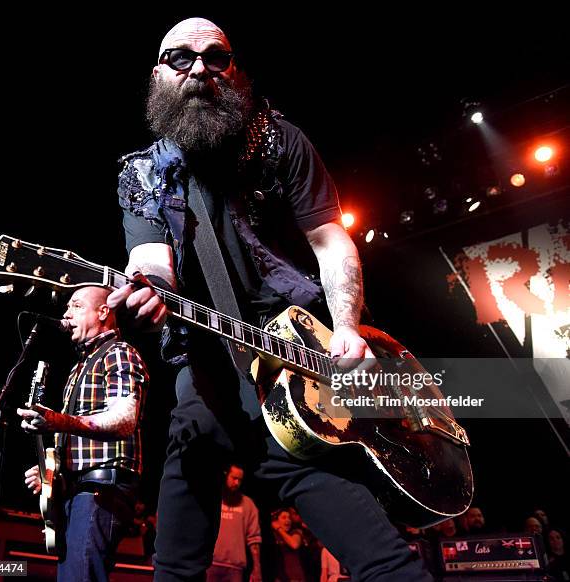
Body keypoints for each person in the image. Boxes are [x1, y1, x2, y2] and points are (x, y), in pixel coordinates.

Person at [108, 16, 432, 581]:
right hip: (209, 364)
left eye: (216, 57)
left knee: (381, 561)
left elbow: (331, 241)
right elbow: (150, 262)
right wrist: (152, 294)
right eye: (180, 57)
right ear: (159, 73)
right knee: (176, 561)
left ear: (234, 70)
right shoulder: (143, 175)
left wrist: (348, 328)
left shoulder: (279, 140)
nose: (199, 69)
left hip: (301, 364)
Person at [17, 286, 149, 581]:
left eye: (76, 306)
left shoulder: (119, 353)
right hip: (78, 490)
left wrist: (57, 421)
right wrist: (53, 474)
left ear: (103, 312)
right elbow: (77, 435)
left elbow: (125, 420)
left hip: (103, 488)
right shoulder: (79, 368)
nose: (66, 313)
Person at [206, 464, 262, 582]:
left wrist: (257, 569)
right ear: (225, 476)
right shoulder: (212, 498)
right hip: (209, 563)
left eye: (240, 480)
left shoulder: (248, 504)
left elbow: (254, 539)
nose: (237, 483)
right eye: (234, 478)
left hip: (235, 568)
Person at [272, 509, 307, 582]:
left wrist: (279, 529)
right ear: (276, 521)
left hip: (295, 578)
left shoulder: (296, 532)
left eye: (289, 518)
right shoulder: (273, 536)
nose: (288, 520)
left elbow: (294, 545)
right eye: (284, 517)